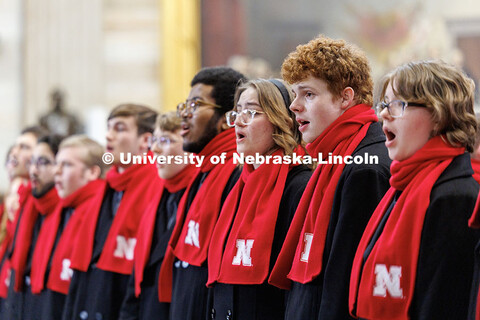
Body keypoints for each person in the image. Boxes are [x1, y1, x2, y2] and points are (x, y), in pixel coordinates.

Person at [268, 35, 391, 320]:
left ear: (345, 97)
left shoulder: (365, 167)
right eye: (295, 94)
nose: (294, 106)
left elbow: (348, 281)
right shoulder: (332, 156)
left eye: (308, 94)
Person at [349, 60, 480, 319]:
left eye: (398, 105)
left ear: (439, 114)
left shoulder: (456, 195)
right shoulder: (402, 183)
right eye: (384, 104)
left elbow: (445, 305)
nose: (384, 114)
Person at [207, 79, 312, 319]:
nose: (239, 121)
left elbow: (296, 287)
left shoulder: (298, 185)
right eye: (238, 112)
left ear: (281, 122)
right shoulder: (238, 183)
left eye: (252, 112)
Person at [158, 66, 246, 320]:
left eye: (195, 106)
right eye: (184, 107)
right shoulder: (205, 169)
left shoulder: (239, 173)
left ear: (226, 118)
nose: (183, 117)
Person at [63, 104, 161, 320]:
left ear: (146, 140)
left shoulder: (158, 183)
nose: (109, 136)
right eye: (109, 128)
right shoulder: (108, 184)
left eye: (120, 128)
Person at [119, 112, 197, 319]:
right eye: (154, 140)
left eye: (166, 140)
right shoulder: (157, 196)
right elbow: (138, 274)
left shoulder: (201, 196)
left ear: (190, 145)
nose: (154, 149)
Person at [28, 135, 106, 319]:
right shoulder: (64, 210)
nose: (57, 172)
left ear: (92, 172)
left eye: (67, 165)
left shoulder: (100, 210)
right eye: (57, 164)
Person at [2, 134, 62, 319]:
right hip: (16, 299)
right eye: (33, 162)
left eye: (42, 162)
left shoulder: (64, 209)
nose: (34, 170)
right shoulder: (26, 202)